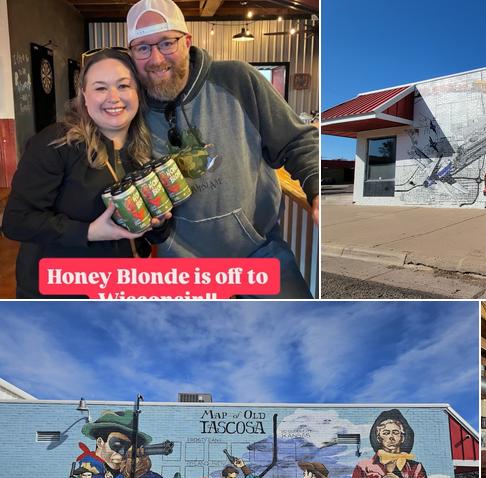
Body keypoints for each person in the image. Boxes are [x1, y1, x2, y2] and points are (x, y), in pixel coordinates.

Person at [125, 0, 319, 298]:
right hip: (181, 266)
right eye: (143, 48)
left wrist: (317, 190)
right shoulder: (130, 110)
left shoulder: (238, 79)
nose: (156, 58)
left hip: (258, 251)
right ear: (131, 54)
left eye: (166, 43)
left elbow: (297, 140)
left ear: (186, 42)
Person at [2, 49, 167, 298]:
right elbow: (16, 222)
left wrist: (158, 223)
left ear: (138, 93)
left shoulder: (145, 150)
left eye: (123, 85)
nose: (113, 97)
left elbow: (150, 234)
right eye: (100, 88)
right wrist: (88, 231)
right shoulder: (56, 143)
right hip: (61, 298)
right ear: (84, 96)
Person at [74, 410, 169, 478]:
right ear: (100, 442)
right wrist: (127, 477)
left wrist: (139, 471)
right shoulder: (88, 467)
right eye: (117, 444)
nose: (122, 451)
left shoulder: (121, 470)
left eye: (127, 446)